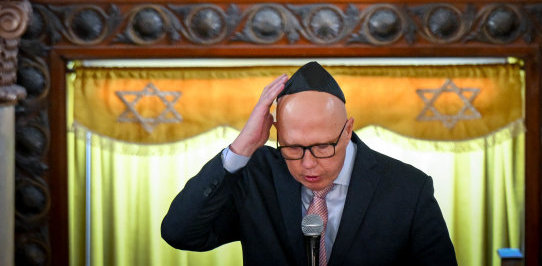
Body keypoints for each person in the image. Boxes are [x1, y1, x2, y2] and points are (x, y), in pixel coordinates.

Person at [161, 61, 458, 265]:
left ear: (348, 130)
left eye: (322, 147)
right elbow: (180, 233)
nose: (308, 165)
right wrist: (243, 146)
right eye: (292, 148)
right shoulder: (256, 175)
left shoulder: (407, 187)